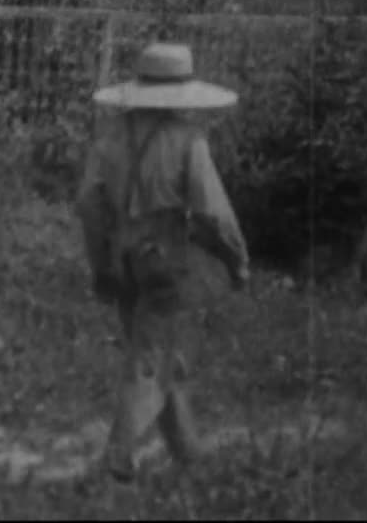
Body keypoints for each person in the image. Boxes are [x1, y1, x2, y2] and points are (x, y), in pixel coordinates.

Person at [76, 42, 250, 481]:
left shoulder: (110, 136)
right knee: (151, 359)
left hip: (122, 256)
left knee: (155, 350)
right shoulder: (188, 139)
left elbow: (89, 204)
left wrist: (101, 264)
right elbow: (213, 211)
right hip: (166, 257)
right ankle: (118, 457)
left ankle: (187, 452)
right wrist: (236, 258)